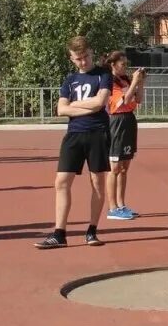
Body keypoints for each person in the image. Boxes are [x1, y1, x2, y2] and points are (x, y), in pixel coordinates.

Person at [34, 36, 113, 249]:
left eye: (85, 56)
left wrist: (75, 105)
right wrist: (82, 106)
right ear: (71, 59)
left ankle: (92, 230)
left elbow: (100, 103)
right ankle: (59, 233)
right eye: (78, 59)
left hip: (97, 133)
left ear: (92, 52)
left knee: (97, 182)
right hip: (74, 134)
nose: (83, 62)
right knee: (61, 181)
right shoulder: (70, 80)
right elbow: (61, 109)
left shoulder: (103, 75)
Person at [105, 51, 146, 220]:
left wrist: (140, 83)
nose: (125, 67)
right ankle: (112, 207)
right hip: (117, 122)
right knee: (115, 167)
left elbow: (138, 100)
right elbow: (124, 100)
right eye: (122, 64)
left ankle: (121, 205)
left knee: (124, 168)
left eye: (126, 64)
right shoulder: (110, 82)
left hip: (129, 121)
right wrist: (135, 81)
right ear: (113, 65)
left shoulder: (126, 80)